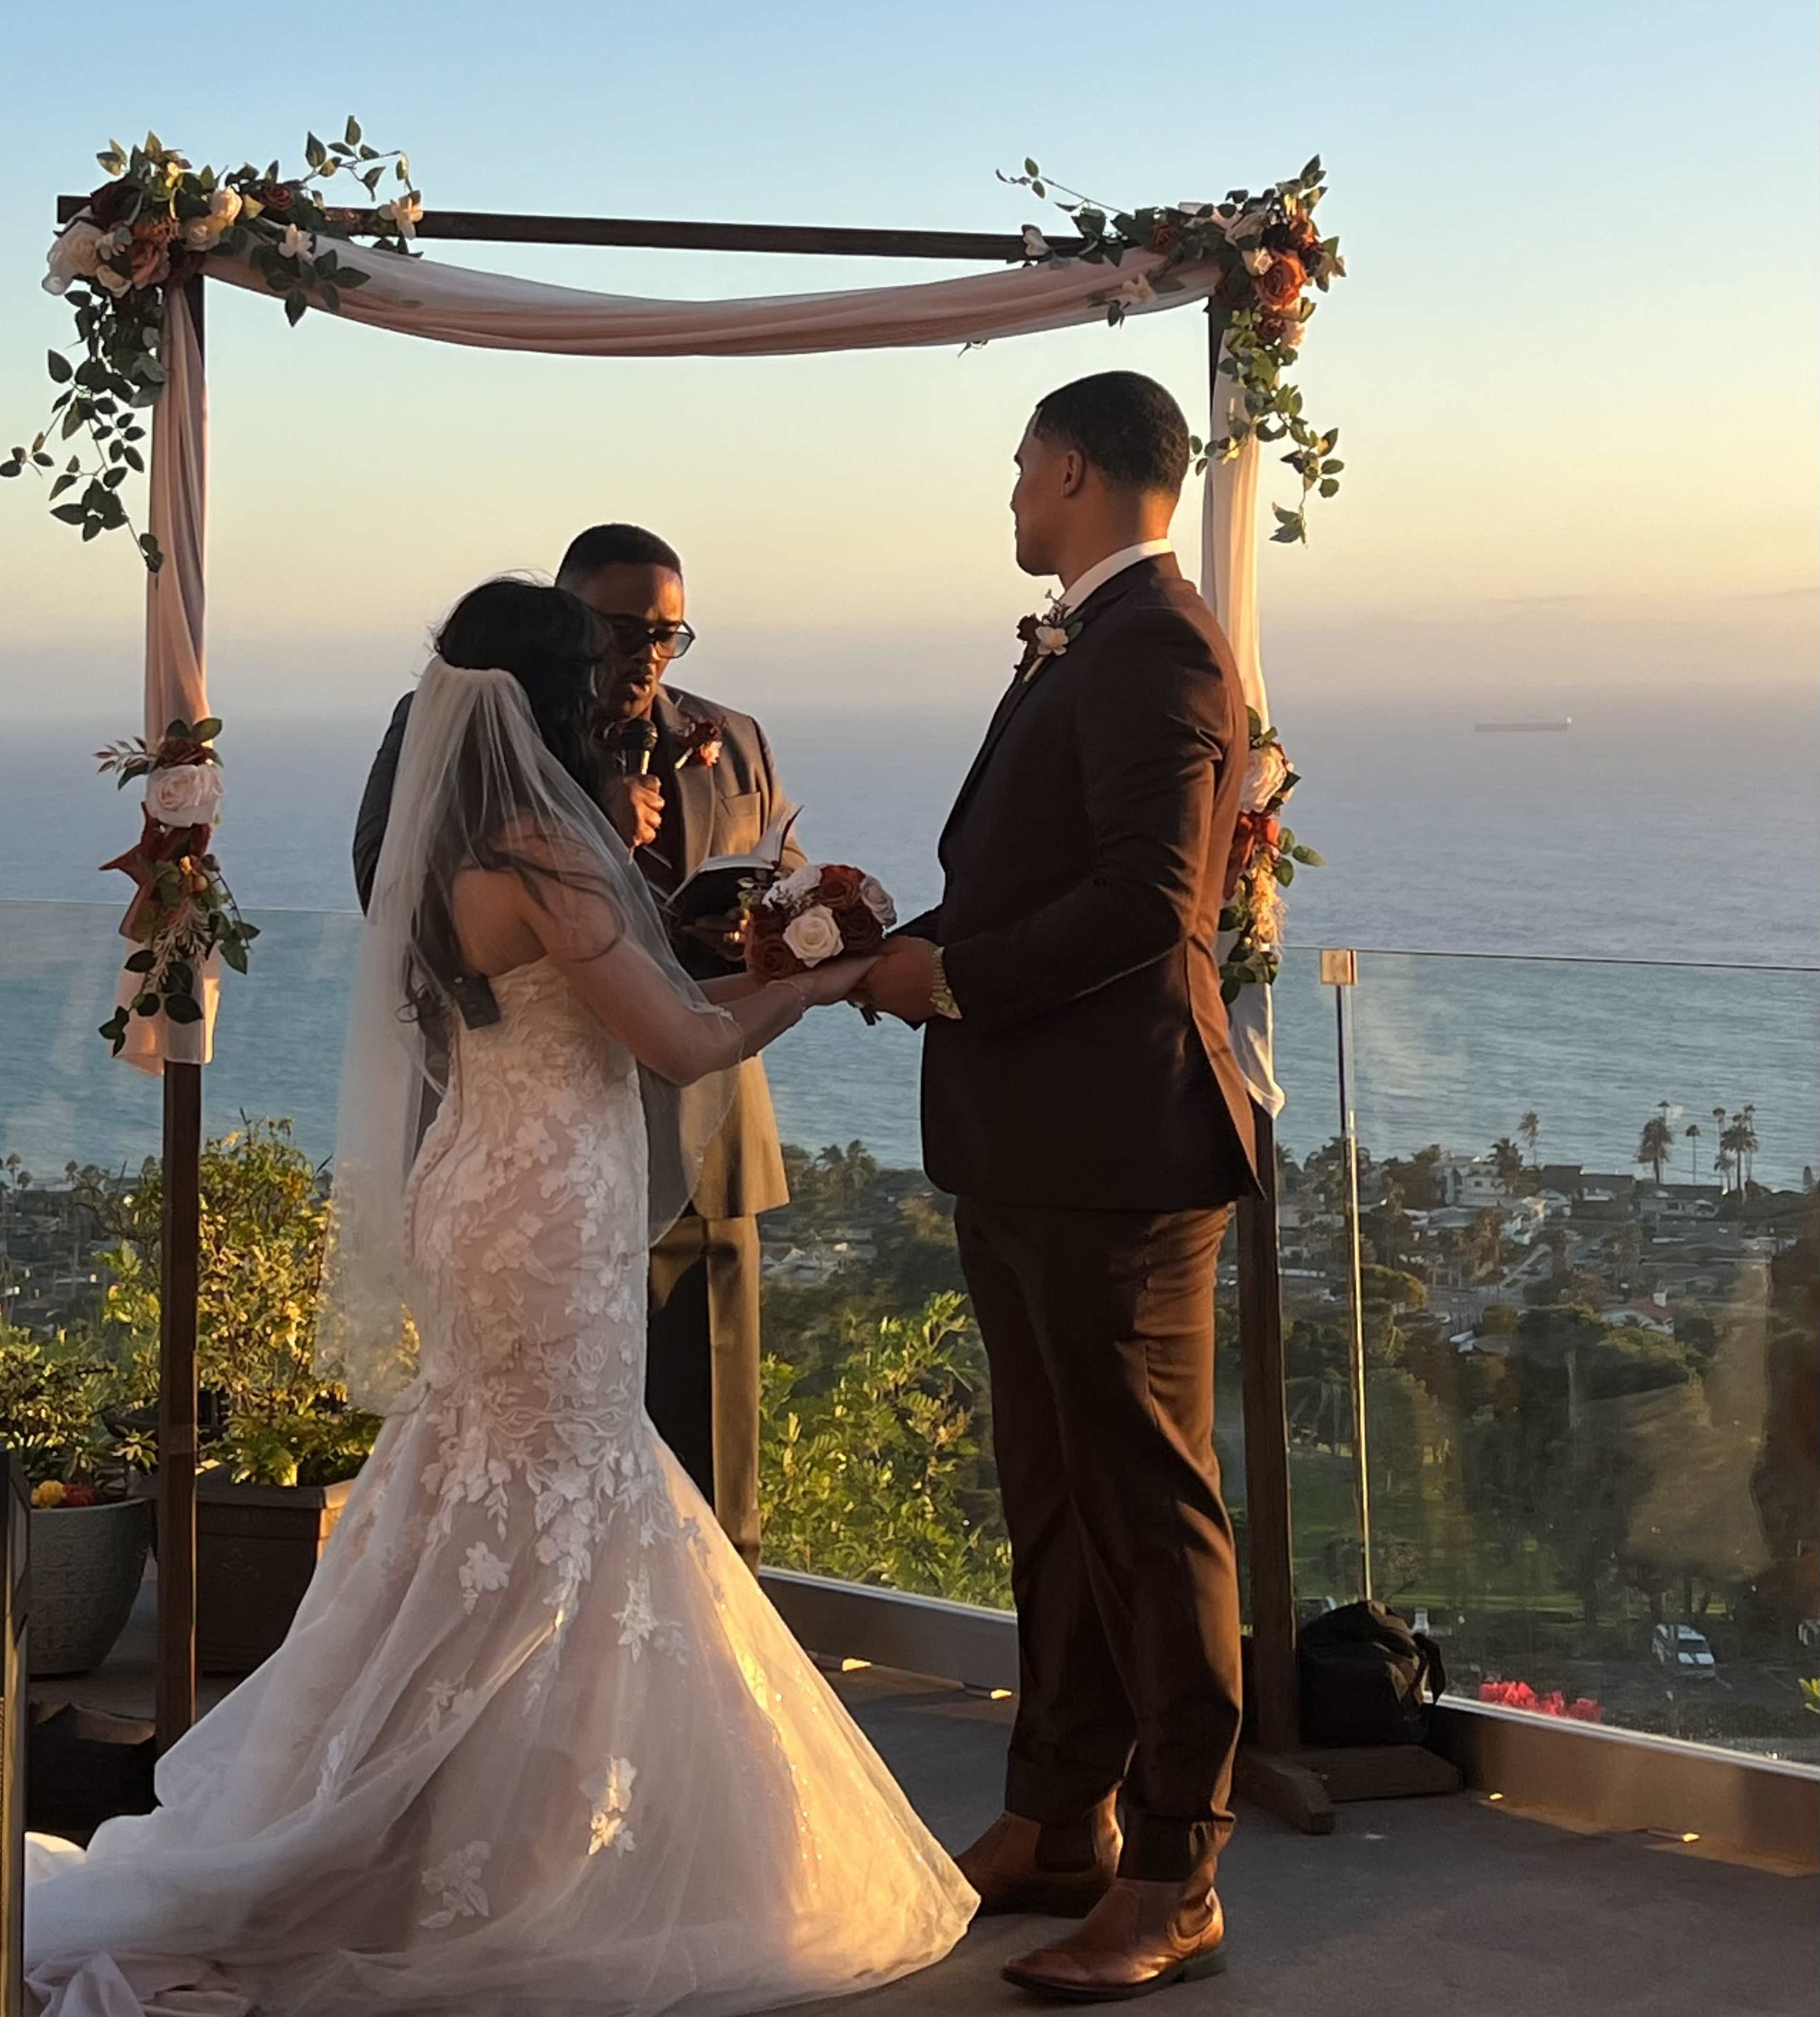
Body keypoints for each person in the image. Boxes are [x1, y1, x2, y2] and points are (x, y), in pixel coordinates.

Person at [27, 578, 974, 2017]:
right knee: (562, 1488)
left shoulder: (452, 842)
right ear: (550, 701)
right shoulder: (550, 845)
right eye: (602, 678)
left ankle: (428, 1817)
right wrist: (829, 975)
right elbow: (682, 1038)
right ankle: (515, 1858)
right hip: (550, 1202)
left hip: (477, 1177)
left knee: (486, 1490)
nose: (622, 696)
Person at [863, 370, 1257, 2005]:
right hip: (1029, 1145)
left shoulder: (1154, 641)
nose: (1012, 492)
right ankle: (1059, 1812)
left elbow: (1145, 903)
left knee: (1149, 1510)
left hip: (1118, 1155)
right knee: (1054, 1496)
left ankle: (1177, 1866)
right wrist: (900, 943)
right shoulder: (1087, 641)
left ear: (1078, 468)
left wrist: (946, 981)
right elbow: (1039, 872)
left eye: (1024, 465)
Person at [354, 525, 798, 1568]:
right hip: (538, 1169)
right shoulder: (453, 731)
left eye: (668, 633)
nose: (643, 656)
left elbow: (774, 870)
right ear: (569, 623)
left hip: (702, 1143)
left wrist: (771, 926)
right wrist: (593, 833)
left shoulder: (732, 738)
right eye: (620, 630)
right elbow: (393, 889)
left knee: (702, 1459)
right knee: (538, 1454)